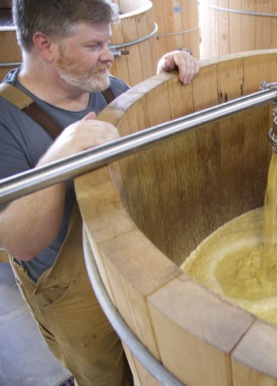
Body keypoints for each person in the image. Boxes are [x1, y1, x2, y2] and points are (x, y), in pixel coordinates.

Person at [0, 0, 198, 384]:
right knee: (102, 376)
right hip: (73, 295)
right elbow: (22, 243)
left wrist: (162, 85)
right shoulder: (6, 122)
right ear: (45, 46)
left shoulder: (108, 91)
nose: (108, 57)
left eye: (108, 43)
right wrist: (59, 155)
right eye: (94, 46)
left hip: (128, 265)